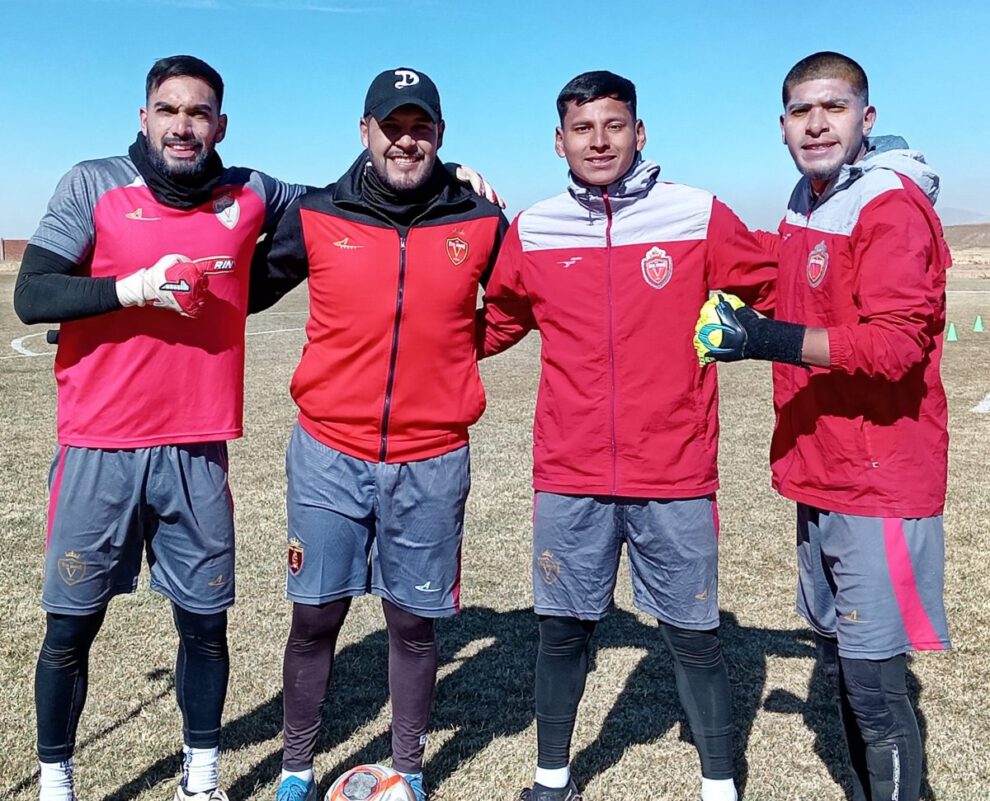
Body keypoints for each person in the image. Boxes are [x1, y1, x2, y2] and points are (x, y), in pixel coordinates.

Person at [13, 54, 311, 801]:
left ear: (221, 124)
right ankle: (56, 776)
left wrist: (453, 175)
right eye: (169, 110)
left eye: (199, 112)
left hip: (195, 445)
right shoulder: (95, 182)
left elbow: (339, 206)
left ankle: (201, 771)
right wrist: (133, 290)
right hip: (97, 444)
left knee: (205, 622)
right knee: (69, 627)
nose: (184, 125)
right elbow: (34, 293)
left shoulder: (250, 192)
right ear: (144, 117)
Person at [476, 71, 777, 801]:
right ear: (559, 141)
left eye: (614, 125)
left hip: (672, 467)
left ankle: (719, 784)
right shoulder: (537, 227)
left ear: (640, 134)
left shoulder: (697, 214)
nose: (599, 140)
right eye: (583, 128)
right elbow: (497, 322)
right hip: (570, 469)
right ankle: (552, 778)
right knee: (561, 630)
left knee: (694, 634)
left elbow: (771, 283)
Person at [694, 52, 951, 801]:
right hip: (824, 471)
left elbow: (898, 345)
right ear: (782, 127)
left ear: (865, 119)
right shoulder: (808, 202)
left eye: (833, 108)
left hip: (880, 480)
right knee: (845, 662)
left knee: (874, 684)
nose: (816, 123)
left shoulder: (889, 206)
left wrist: (764, 338)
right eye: (802, 111)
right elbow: (776, 274)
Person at [260, 68, 507, 801]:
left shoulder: (483, 220)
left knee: (414, 622)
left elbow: (528, 298)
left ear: (441, 135)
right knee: (315, 615)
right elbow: (238, 291)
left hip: (432, 459)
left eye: (421, 127)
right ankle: (296, 768)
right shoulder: (315, 214)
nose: (407, 140)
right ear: (363, 132)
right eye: (391, 126)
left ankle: (409, 769)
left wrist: (455, 350)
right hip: (328, 452)